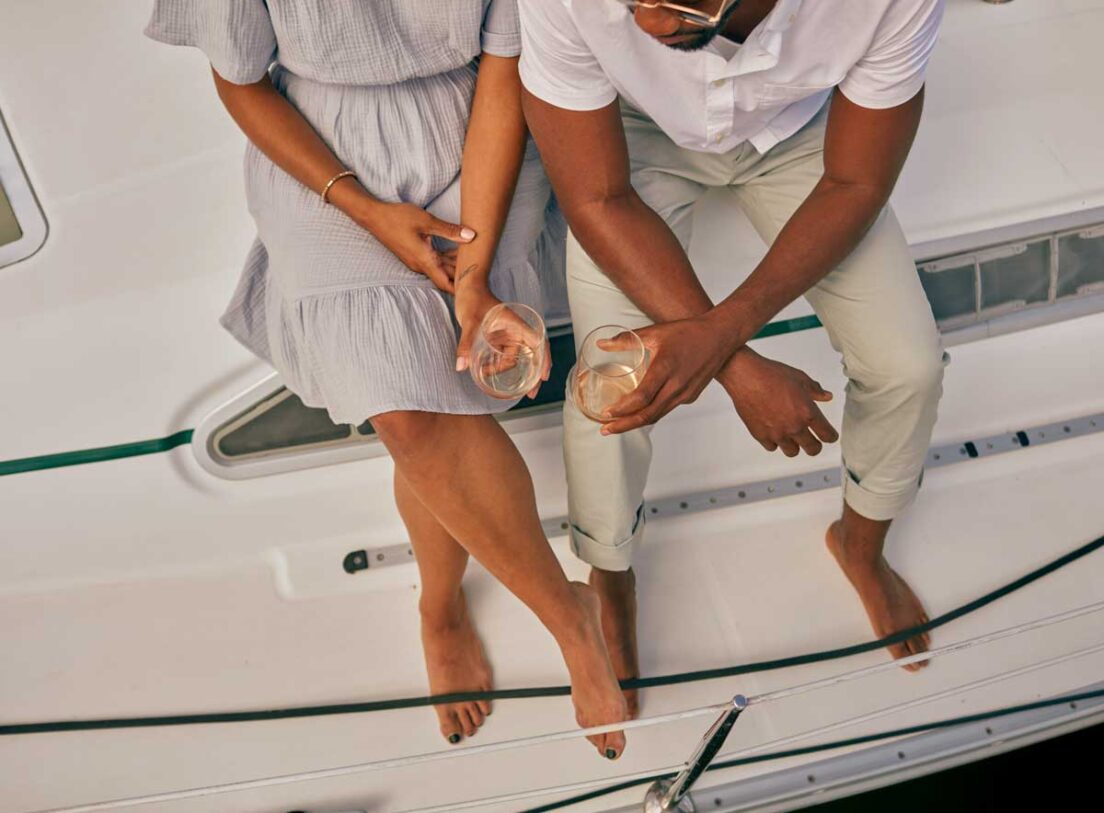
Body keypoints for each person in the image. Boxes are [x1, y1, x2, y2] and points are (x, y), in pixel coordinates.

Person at [146, 0, 627, 758]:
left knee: (429, 400)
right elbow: (241, 82)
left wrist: (474, 278)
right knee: (404, 415)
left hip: (479, 129)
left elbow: (505, 67)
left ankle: (443, 605)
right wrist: (367, 211)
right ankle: (564, 617)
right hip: (321, 154)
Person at [518, 0, 948, 715]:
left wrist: (720, 333)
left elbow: (858, 182)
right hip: (630, 138)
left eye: (680, 0)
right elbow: (596, 196)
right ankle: (610, 575)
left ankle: (861, 541)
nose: (646, 21)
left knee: (909, 365)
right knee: (609, 384)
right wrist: (736, 364)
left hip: (801, 134)